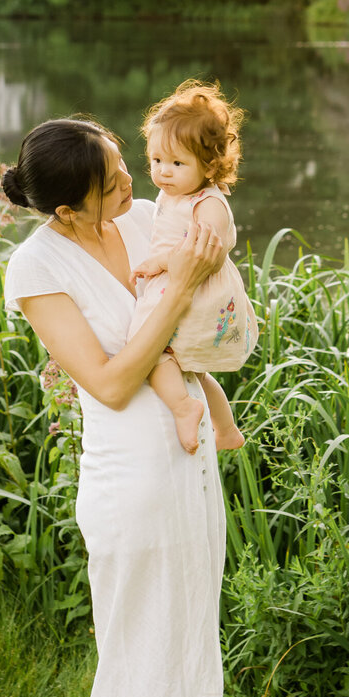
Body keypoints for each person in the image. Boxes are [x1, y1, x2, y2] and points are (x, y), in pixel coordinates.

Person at [1, 116, 233, 697]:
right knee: (135, 652)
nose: (134, 182)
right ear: (69, 209)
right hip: (130, 480)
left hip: (189, 463)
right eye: (114, 180)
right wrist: (174, 301)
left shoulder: (144, 215)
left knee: (181, 640)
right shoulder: (37, 268)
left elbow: (204, 282)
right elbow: (108, 381)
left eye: (129, 165)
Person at [129, 80, 256, 455]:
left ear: (211, 164)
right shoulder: (177, 192)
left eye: (177, 163)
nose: (163, 172)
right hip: (180, 284)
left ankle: (185, 407)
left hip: (193, 290)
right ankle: (227, 429)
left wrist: (158, 262)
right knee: (194, 370)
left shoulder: (209, 204)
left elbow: (205, 253)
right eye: (156, 161)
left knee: (149, 351)